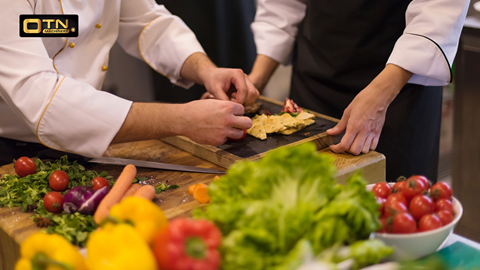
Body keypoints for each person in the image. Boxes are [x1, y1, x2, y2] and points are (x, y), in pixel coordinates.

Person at [0, 0, 259, 166]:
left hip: (89, 138)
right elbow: (43, 98)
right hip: (13, 153)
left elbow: (150, 22)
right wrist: (182, 119)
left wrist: (207, 71)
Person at [247, 0, 469, 182]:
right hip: (314, 79)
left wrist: (381, 95)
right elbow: (282, 5)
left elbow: (438, 9)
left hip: (398, 88)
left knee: (391, 219)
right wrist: (255, 82)